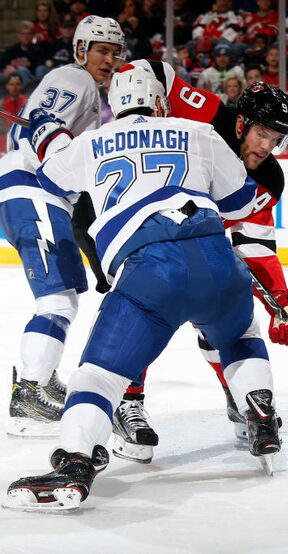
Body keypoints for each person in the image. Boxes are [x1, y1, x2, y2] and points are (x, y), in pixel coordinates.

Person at [5, 68, 280, 511]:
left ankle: (75, 462)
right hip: (217, 259)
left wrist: (47, 133)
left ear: (115, 105)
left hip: (150, 268)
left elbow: (52, 180)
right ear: (160, 103)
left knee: (97, 376)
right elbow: (242, 203)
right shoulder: (199, 131)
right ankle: (259, 409)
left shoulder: (93, 141)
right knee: (239, 338)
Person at [99, 60, 288, 462]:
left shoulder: (269, 178)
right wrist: (119, 89)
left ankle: (241, 393)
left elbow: (255, 244)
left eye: (276, 139)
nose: (266, 147)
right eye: (262, 133)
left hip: (197, 249)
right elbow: (154, 71)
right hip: (141, 235)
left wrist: (283, 299)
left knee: (222, 312)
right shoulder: (208, 113)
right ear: (242, 121)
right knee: (134, 312)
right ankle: (127, 401)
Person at [0, 16, 125, 439]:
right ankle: (29, 390)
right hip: (33, 189)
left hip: (41, 196)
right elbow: (43, 124)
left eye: (114, 52)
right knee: (55, 302)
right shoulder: (74, 79)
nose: (109, 59)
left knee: (65, 298)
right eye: (102, 50)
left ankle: (42, 374)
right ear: (81, 50)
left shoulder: (90, 91)